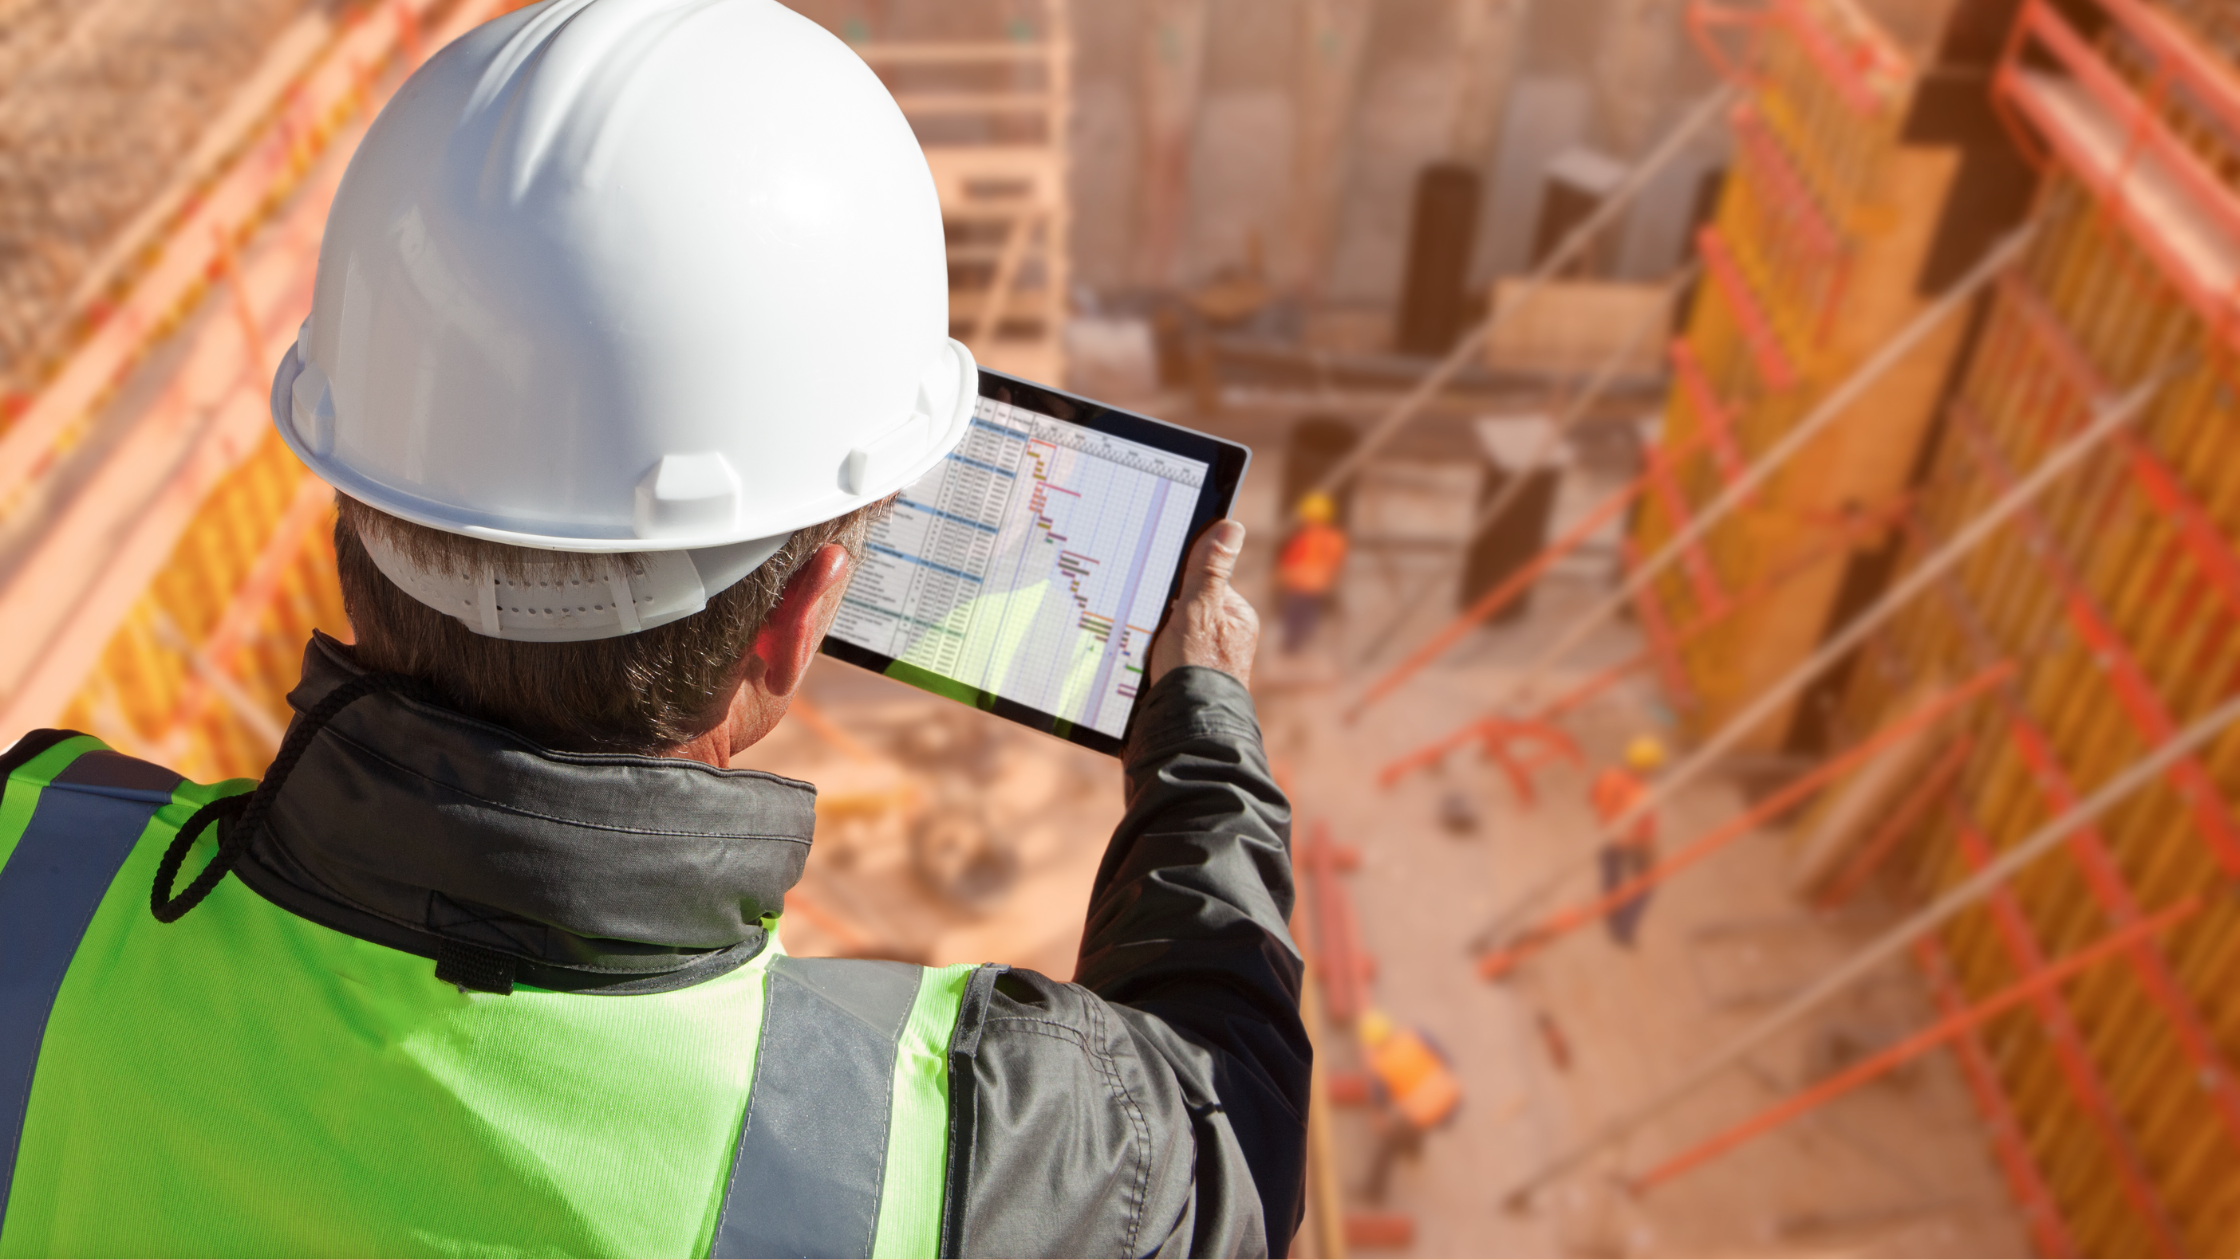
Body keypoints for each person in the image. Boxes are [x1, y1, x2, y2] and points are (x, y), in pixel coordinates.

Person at [0, 4, 1306, 1254]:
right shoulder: (933, 1152)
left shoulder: (34, 860)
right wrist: (1201, 742)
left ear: (357, 501)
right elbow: (1228, 1143)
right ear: (789, 628)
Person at [1356, 1009, 1462, 1203]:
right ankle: (1414, 1153)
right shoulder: (1416, 1035)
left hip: (1424, 1110)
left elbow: (1381, 1100)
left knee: (1388, 1144)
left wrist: (1379, 1118)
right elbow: (1446, 1058)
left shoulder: (1381, 1064)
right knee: (1413, 1124)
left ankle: (1373, 1192)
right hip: (1450, 1098)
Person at [1593, 734, 1667, 949]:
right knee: (1647, 884)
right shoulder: (1642, 795)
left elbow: (1593, 797)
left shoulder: (1608, 775)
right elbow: (1646, 830)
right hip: (1632, 842)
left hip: (1606, 834)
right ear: (1648, 767)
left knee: (1610, 879)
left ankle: (1610, 916)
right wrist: (1649, 852)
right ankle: (1623, 930)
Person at [1275, 490, 1348, 653]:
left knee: (1295, 620)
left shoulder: (1306, 537)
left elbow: (1291, 560)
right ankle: (1301, 649)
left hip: (1300, 584)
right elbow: (1336, 563)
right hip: (1318, 586)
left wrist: (1280, 577)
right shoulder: (1335, 539)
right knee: (1309, 618)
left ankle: (1292, 651)